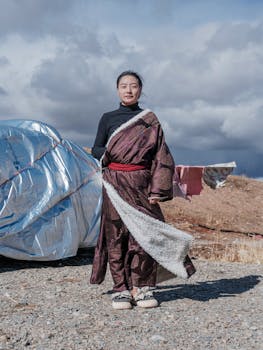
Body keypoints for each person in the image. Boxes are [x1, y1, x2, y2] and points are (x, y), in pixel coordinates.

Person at [90, 70, 195, 310]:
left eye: (133, 86)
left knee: (144, 236)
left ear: (140, 90)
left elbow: (161, 155)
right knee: (115, 237)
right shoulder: (107, 118)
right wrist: (109, 155)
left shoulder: (149, 120)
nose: (128, 90)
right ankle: (121, 289)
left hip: (142, 184)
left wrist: (158, 189)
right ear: (117, 90)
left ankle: (142, 288)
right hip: (114, 184)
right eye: (124, 86)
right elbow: (97, 148)